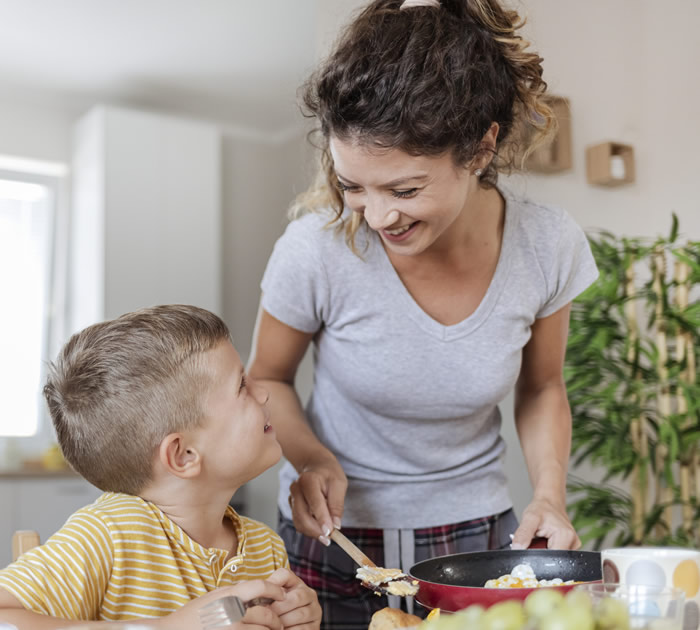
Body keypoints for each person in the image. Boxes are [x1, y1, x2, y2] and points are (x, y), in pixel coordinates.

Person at [247, 0, 599, 626]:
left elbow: (542, 386)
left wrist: (550, 494)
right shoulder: (315, 247)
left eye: (405, 190)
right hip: (333, 536)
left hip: (472, 541)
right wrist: (313, 460)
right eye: (354, 186)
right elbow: (267, 379)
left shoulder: (548, 245)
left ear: (481, 147)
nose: (379, 217)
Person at [0, 305, 322, 629]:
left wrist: (300, 620)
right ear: (183, 456)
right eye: (242, 385)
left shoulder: (265, 548)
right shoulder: (109, 534)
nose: (264, 393)